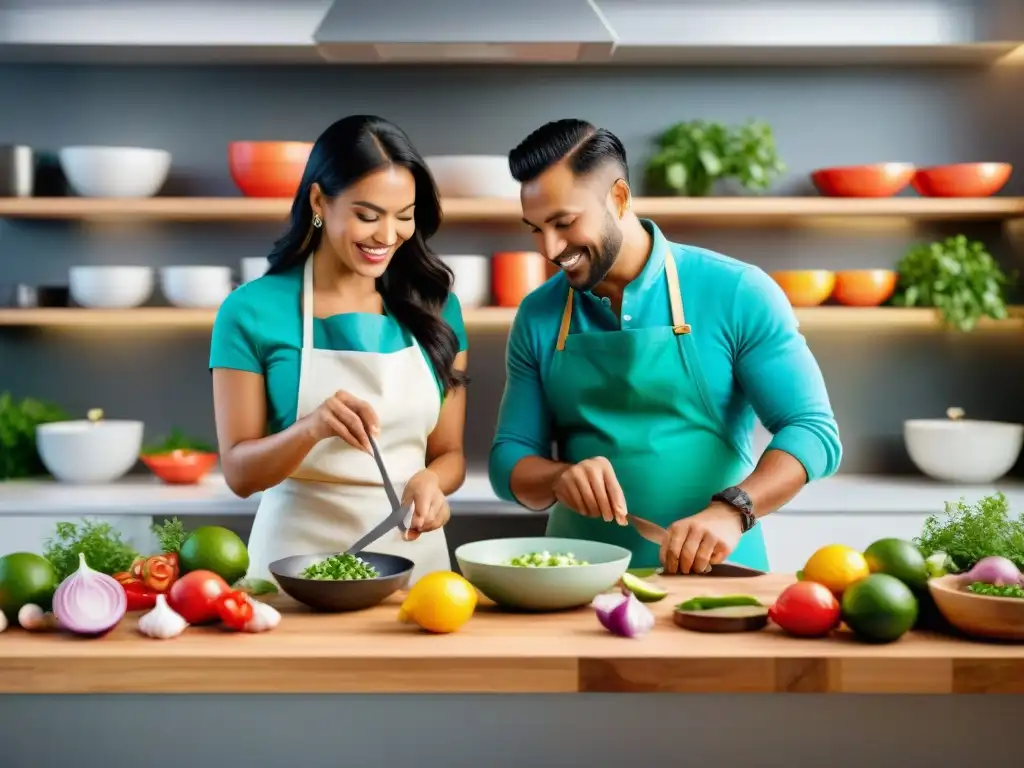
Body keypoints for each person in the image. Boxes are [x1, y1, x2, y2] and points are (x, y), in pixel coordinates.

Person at [489, 119, 842, 575]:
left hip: (716, 576)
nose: (550, 248)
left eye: (564, 222)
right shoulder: (539, 314)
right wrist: (558, 477)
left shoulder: (736, 291)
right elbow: (507, 459)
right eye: (535, 229)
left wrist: (734, 509)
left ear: (618, 198)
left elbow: (812, 429)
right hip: (575, 577)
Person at [210, 115, 469, 586]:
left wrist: (432, 481)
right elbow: (239, 474)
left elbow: (449, 453)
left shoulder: (436, 309)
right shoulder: (249, 311)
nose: (387, 236)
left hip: (414, 572)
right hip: (291, 571)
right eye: (367, 216)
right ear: (318, 202)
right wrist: (310, 430)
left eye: (404, 216)